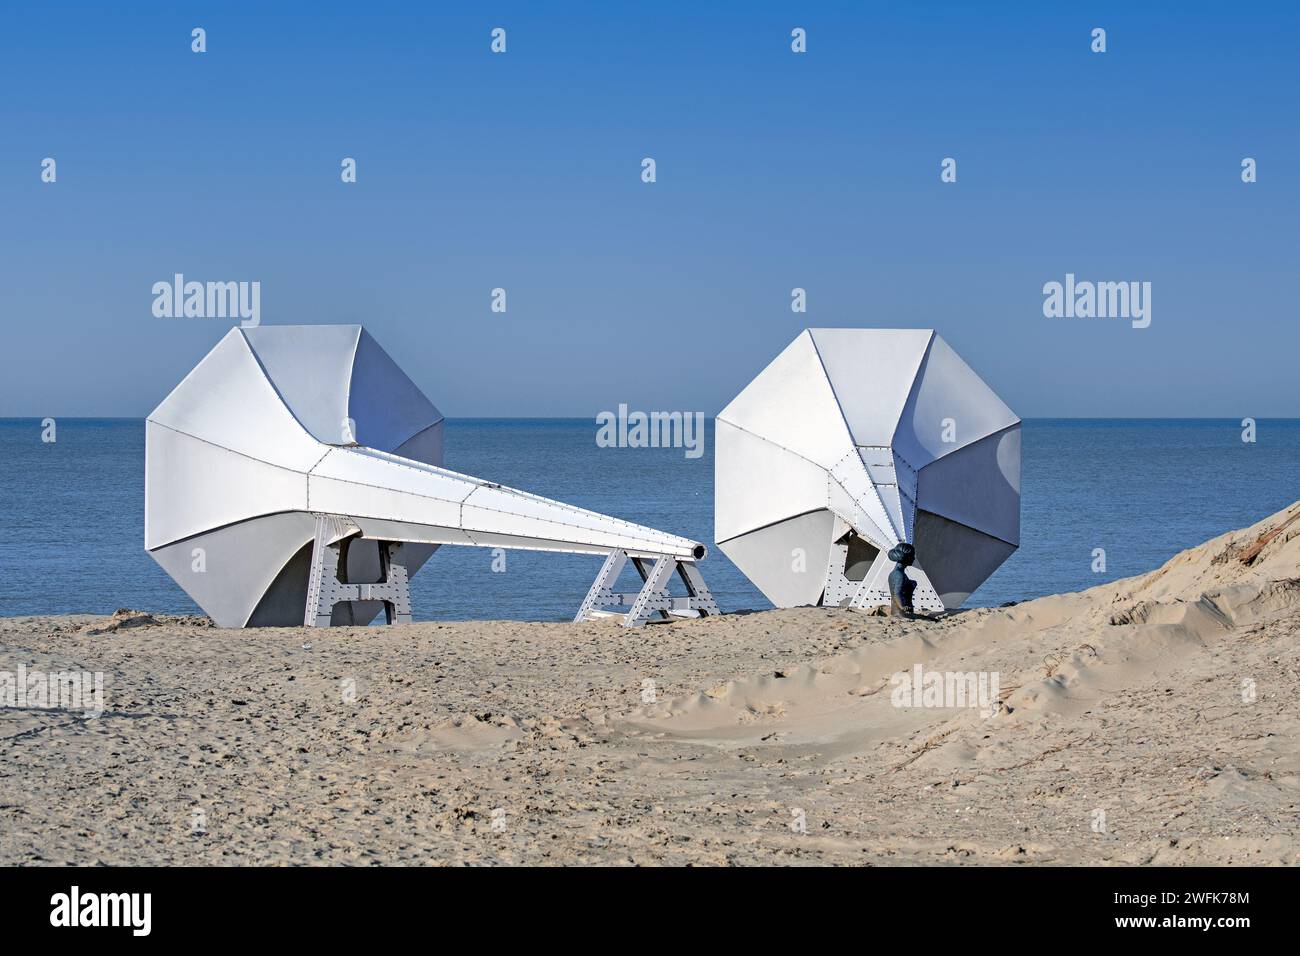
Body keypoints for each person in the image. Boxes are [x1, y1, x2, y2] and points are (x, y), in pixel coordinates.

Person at [887, 543, 916, 617]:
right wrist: (902, 607)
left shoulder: (898, 573)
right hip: (901, 614)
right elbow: (896, 593)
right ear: (906, 557)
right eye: (912, 555)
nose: (914, 558)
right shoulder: (898, 574)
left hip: (903, 613)